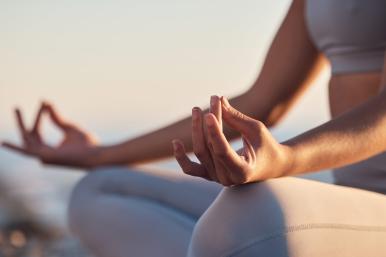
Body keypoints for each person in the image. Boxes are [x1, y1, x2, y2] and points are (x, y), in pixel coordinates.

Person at [2, 0, 386, 256]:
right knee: (99, 190)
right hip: (351, 206)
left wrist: (283, 159)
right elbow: (262, 100)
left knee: (249, 214)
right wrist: (97, 156)